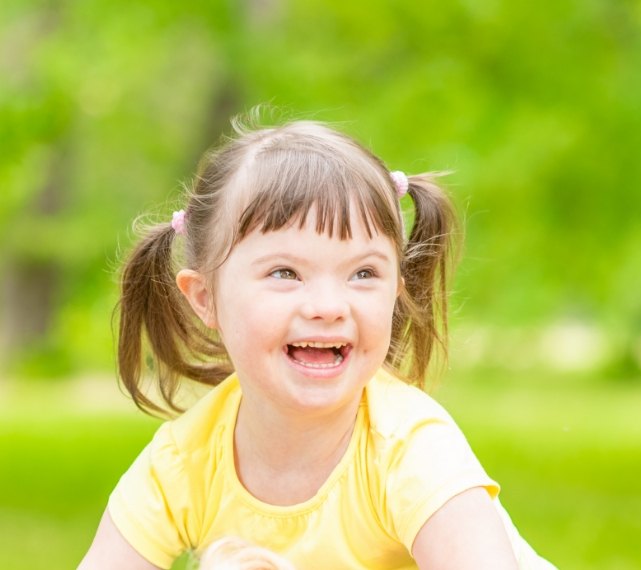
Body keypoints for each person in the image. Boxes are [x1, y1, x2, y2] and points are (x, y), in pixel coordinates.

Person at [79, 115, 556, 569]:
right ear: (206, 298)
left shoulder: (410, 450)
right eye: (285, 273)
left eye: (363, 273)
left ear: (396, 289)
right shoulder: (183, 465)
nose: (328, 305)